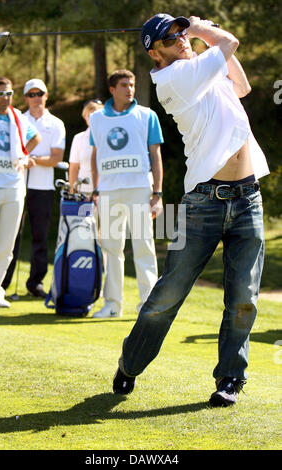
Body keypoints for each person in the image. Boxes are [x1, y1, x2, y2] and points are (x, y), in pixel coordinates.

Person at [112, 14, 270, 407]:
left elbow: (243, 86)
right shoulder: (171, 81)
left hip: (248, 195)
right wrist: (201, 29)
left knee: (244, 296)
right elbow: (229, 43)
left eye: (180, 30)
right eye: (170, 36)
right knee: (168, 295)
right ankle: (130, 363)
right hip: (203, 202)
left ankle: (231, 378)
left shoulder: (201, 69)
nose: (179, 38)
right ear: (154, 53)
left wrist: (196, 40)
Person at [90, 69, 164, 318]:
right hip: (109, 192)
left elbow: (155, 155)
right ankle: (112, 305)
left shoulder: (147, 115)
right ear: (112, 89)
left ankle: (148, 305)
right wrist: (96, 189)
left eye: (131, 84)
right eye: (123, 85)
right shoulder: (97, 118)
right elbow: (95, 154)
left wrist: (158, 193)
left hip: (140, 189)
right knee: (112, 249)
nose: (129, 89)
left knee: (144, 247)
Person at [2, 78, 66, 298]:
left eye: (40, 94)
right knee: (11, 235)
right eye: (31, 94)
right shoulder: (17, 120)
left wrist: (32, 159)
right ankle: (2, 282)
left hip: (43, 187)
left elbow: (57, 156)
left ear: (46, 96)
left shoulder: (56, 123)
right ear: (25, 98)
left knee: (39, 236)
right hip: (17, 184)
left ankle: (35, 282)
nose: (36, 98)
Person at [0, 77, 40, 307]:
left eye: (8, 94)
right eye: (0, 94)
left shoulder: (17, 117)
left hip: (14, 187)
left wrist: (25, 156)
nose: (5, 98)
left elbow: (35, 137)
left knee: (6, 245)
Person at [68, 99, 103, 197]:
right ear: (85, 118)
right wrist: (72, 191)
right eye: (89, 116)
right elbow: (74, 167)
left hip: (106, 191)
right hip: (84, 192)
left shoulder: (109, 137)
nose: (93, 119)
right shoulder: (79, 138)